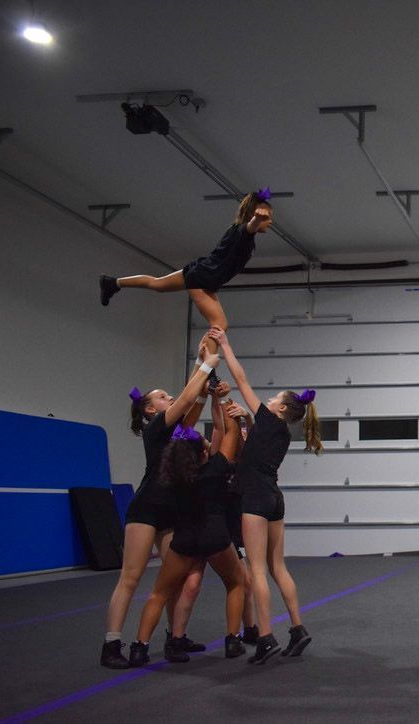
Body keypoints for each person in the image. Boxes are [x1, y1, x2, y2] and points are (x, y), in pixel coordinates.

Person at [99, 345, 218, 669]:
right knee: (131, 577)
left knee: (174, 579)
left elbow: (192, 402)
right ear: (150, 411)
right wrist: (206, 366)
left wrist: (199, 359)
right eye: (162, 397)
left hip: (171, 511)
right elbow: (185, 401)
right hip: (147, 508)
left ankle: (174, 636)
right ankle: (111, 644)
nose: (169, 398)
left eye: (168, 396)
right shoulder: (155, 429)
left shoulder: (178, 430)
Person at [208, 327, 322, 663]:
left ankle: (266, 637)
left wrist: (226, 345)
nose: (268, 399)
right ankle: (298, 628)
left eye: (274, 398)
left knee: (256, 570)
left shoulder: (268, 418)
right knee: (277, 566)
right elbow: (256, 442)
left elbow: (240, 377)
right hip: (275, 499)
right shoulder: (280, 432)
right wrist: (245, 417)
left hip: (255, 501)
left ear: (282, 409)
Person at [128, 395, 248, 665]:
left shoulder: (171, 476)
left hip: (184, 539)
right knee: (236, 582)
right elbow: (230, 434)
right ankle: (232, 640)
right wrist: (228, 405)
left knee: (159, 593)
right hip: (215, 536)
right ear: (204, 452)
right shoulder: (216, 469)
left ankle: (139, 647)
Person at [99, 190, 273, 356]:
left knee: (157, 284)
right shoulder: (244, 232)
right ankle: (205, 370)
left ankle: (112, 282)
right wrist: (257, 219)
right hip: (203, 279)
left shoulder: (236, 229)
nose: (270, 222)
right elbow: (251, 227)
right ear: (253, 215)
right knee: (219, 324)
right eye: (268, 218)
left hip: (200, 271)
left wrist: (257, 218)